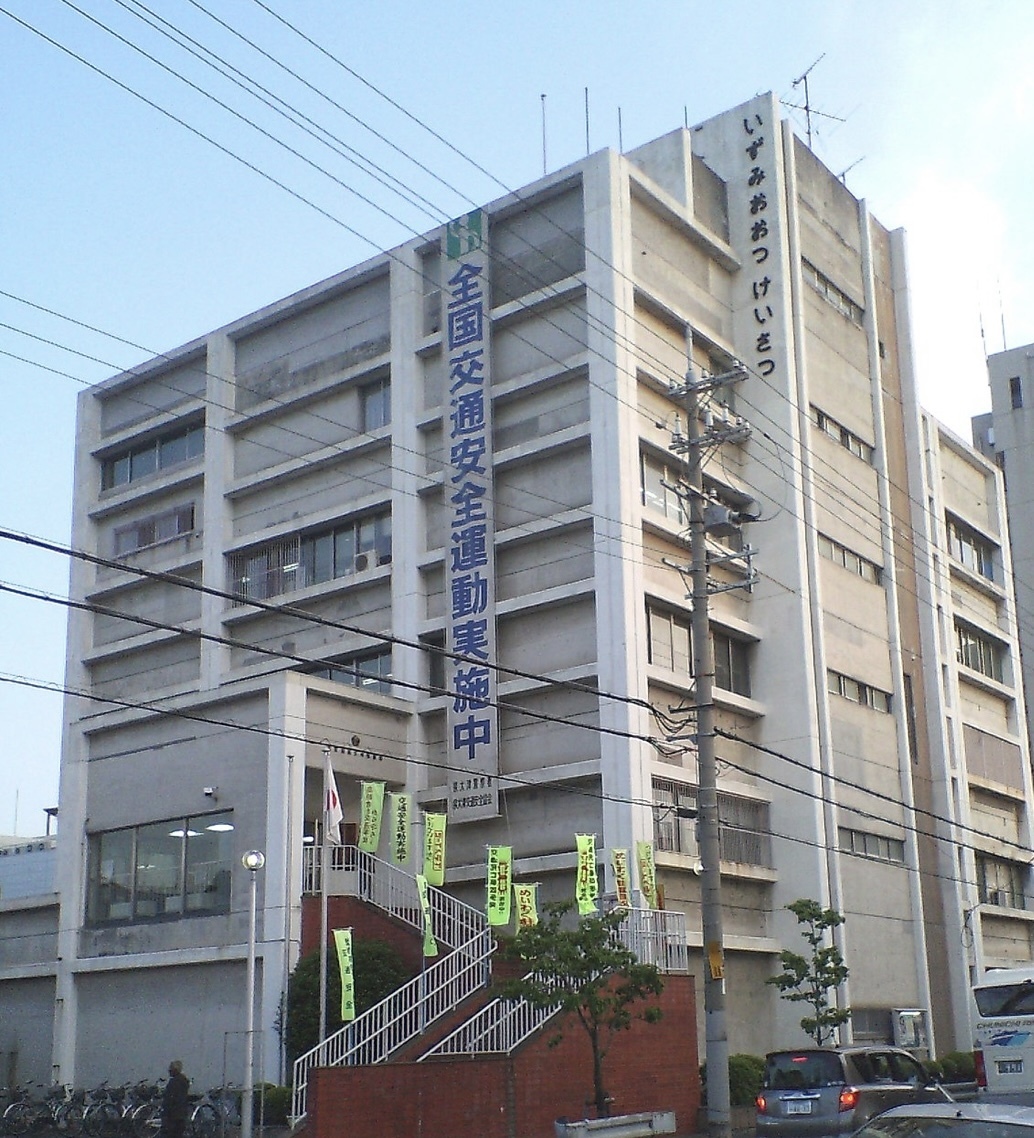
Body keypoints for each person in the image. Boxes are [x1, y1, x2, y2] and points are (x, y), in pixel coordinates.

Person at [160, 1060, 190, 1138]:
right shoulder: (184, 1081)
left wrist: (165, 1113)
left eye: (170, 1069)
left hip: (173, 1115)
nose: (169, 1071)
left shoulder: (173, 1082)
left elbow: (169, 1099)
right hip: (181, 1114)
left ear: (174, 1070)